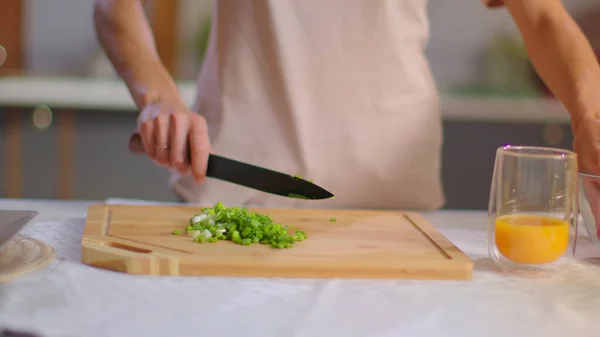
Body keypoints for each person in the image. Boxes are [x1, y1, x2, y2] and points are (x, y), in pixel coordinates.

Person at [93, 0, 600, 209]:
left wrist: (591, 118)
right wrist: (159, 99)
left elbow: (541, 16)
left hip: (395, 209)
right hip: (231, 195)